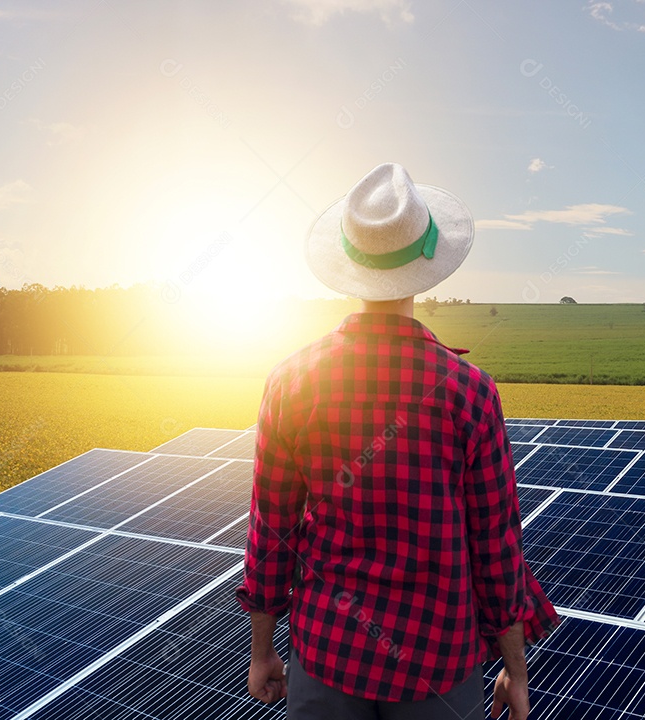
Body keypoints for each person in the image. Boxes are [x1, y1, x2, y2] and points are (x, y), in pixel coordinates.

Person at [236, 162, 559, 719]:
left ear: (348, 263)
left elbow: (272, 534)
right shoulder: (469, 392)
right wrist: (515, 668)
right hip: (438, 666)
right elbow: (495, 545)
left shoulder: (290, 381)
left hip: (326, 654)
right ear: (429, 265)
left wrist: (261, 651)